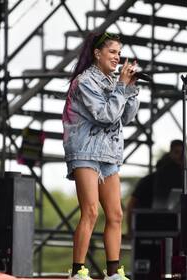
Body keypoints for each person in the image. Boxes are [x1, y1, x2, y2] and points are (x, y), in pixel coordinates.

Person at [62, 31, 140, 280]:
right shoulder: (85, 81)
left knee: (116, 214)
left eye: (119, 52)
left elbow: (125, 117)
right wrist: (121, 88)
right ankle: (77, 272)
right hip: (85, 150)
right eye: (113, 52)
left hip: (108, 153)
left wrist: (131, 89)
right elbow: (104, 115)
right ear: (97, 53)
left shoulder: (111, 82)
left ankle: (114, 272)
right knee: (91, 211)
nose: (118, 58)